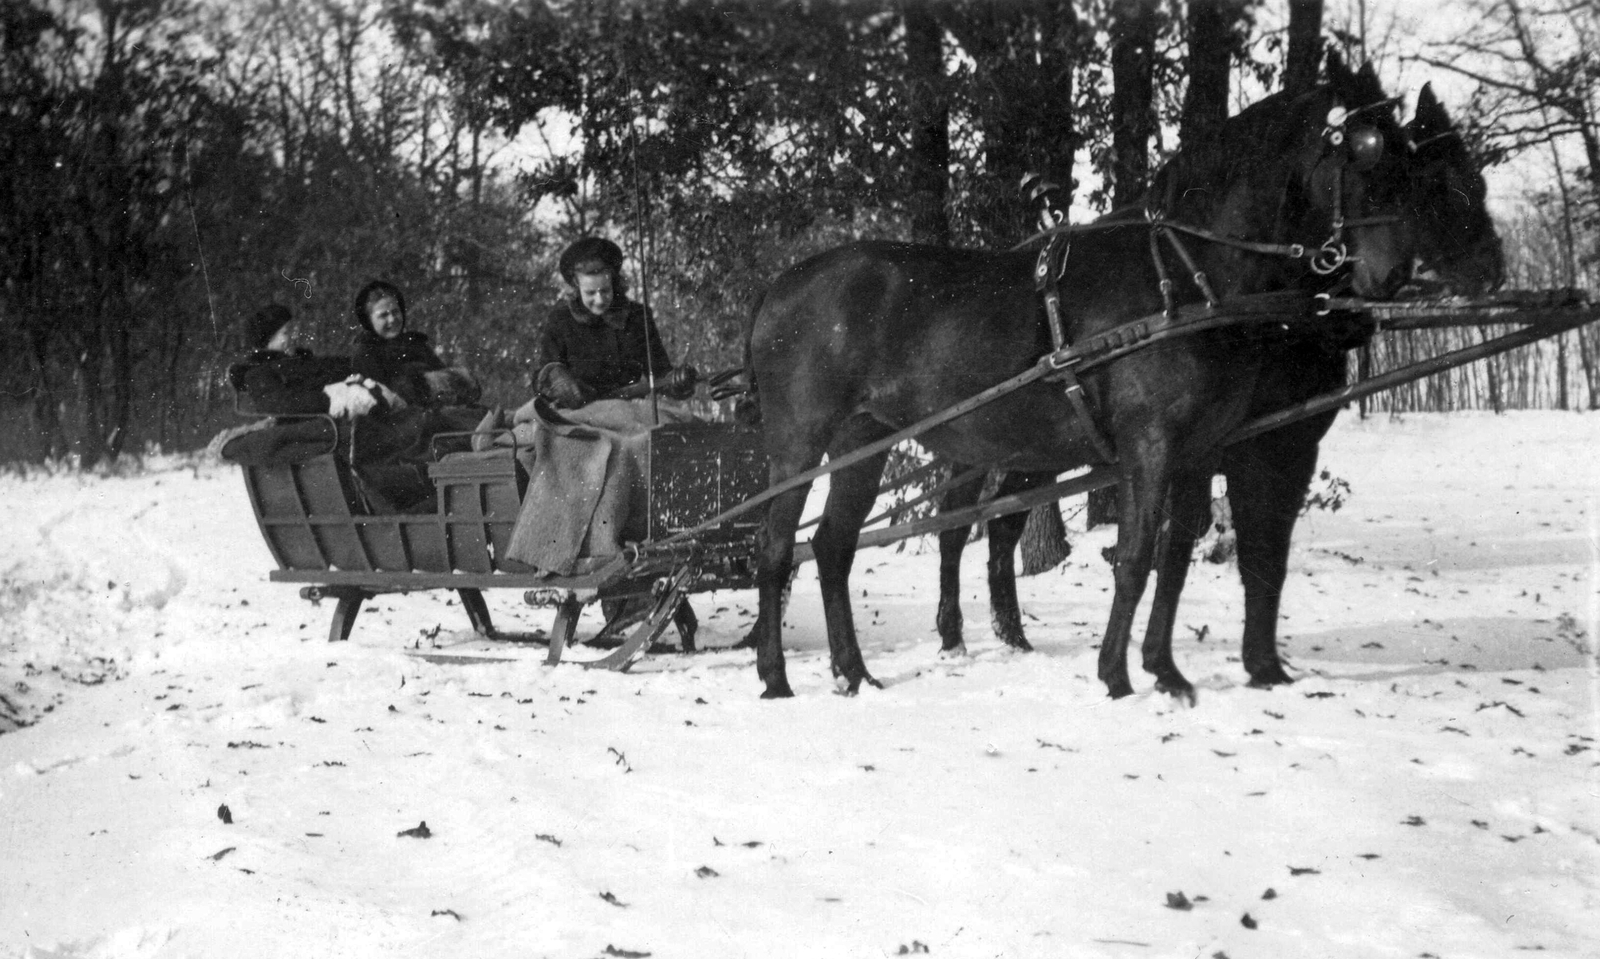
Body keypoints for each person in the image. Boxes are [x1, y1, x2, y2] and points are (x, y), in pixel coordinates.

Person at [534, 237, 695, 409]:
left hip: (626, 411)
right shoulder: (560, 320)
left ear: (614, 282)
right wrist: (554, 376)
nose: (599, 299)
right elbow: (541, 377)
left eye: (605, 290)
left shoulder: (637, 317)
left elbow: (661, 374)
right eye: (590, 293)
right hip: (576, 414)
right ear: (576, 286)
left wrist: (678, 382)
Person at [227, 304, 399, 418]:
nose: (294, 337)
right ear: (267, 340)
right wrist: (330, 397)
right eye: (286, 333)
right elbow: (281, 404)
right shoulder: (259, 372)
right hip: (325, 419)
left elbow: (335, 366)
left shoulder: (298, 360)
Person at [350, 280, 481, 409]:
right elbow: (383, 399)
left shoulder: (414, 343)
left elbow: (448, 379)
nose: (392, 319)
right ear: (369, 320)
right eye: (383, 315)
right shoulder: (366, 352)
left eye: (395, 312)